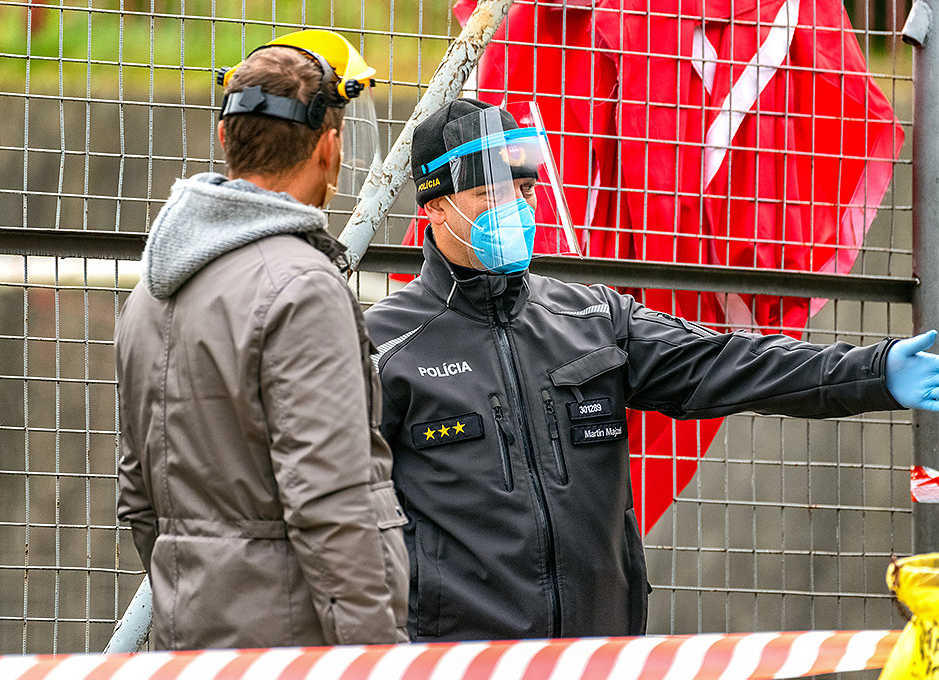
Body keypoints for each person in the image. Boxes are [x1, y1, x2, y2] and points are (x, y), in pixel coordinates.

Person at [363, 97, 939, 642]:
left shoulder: (592, 319)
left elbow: (730, 362)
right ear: (435, 206)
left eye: (525, 188)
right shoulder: (384, 346)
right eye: (491, 192)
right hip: (459, 660)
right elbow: (341, 516)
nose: (516, 208)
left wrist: (873, 371)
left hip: (601, 655)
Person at [115, 30, 408, 651]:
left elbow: (139, 496)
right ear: (329, 147)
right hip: (294, 647)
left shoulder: (152, 291)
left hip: (188, 642)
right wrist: (374, 658)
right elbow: (332, 502)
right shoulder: (303, 288)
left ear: (226, 137)